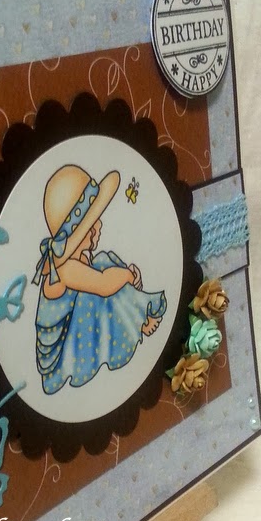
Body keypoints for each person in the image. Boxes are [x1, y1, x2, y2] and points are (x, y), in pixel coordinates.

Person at [33, 164, 167, 394]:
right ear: (82, 231)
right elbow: (104, 285)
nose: (99, 224)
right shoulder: (64, 271)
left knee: (104, 264)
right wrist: (128, 275)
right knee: (103, 283)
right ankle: (141, 316)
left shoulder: (76, 260)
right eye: (94, 220)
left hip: (73, 334)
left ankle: (138, 316)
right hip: (59, 358)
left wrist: (123, 277)